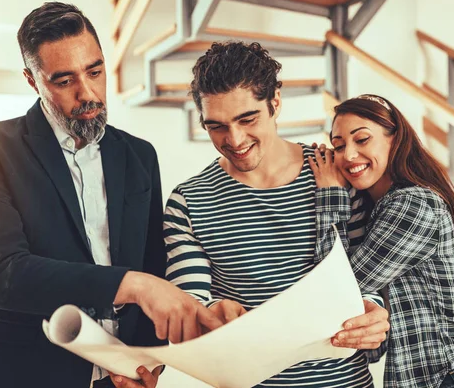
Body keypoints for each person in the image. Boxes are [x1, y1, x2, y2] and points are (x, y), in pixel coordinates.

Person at [0, 2, 221, 388]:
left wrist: (148, 362)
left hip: (117, 377)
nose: (87, 93)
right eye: (63, 81)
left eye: (95, 72)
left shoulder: (140, 156)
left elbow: (151, 261)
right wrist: (133, 285)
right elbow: (2, 274)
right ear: (32, 80)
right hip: (20, 372)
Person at [163, 42, 390, 387]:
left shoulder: (339, 174)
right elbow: (191, 305)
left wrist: (373, 314)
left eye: (247, 118)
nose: (234, 139)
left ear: (276, 102)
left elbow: (365, 279)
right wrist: (206, 315)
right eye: (216, 126)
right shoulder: (188, 201)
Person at [310, 94, 454, 388]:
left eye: (361, 140)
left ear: (394, 140)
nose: (347, 155)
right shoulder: (379, 209)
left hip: (449, 379)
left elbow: (341, 287)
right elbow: (376, 338)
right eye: (338, 145)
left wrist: (330, 193)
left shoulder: (413, 205)